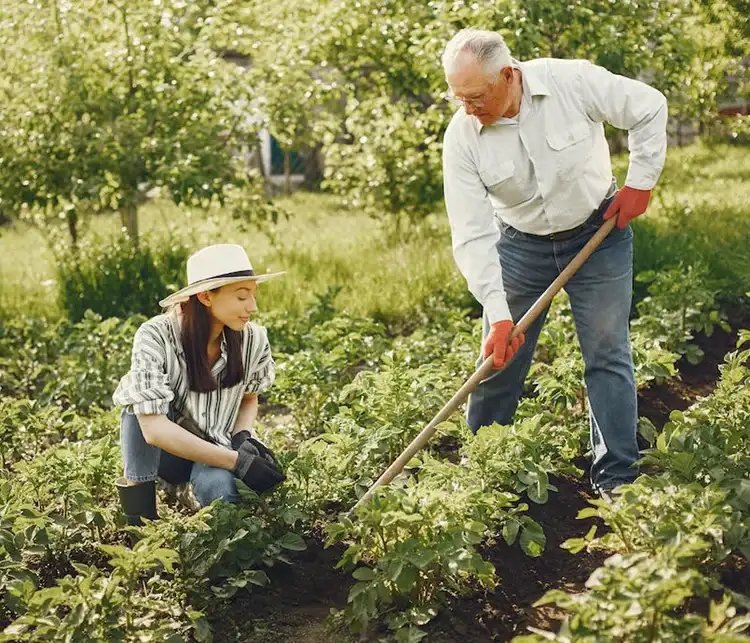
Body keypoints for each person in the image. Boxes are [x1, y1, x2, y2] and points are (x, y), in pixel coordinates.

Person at [440, 29, 668, 497]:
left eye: (476, 96)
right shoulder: (462, 136)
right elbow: (472, 231)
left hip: (598, 233)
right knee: (500, 356)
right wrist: (499, 314)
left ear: (508, 75)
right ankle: (482, 469)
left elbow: (649, 106)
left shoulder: (572, 82)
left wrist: (640, 182)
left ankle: (618, 478)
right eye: (458, 97)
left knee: (607, 353)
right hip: (520, 246)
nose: (467, 108)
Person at [113, 243, 286, 525]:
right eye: (242, 296)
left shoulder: (254, 339)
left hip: (217, 448)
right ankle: (138, 520)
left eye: (253, 295)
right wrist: (237, 462)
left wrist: (242, 437)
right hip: (168, 454)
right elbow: (153, 430)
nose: (252, 307)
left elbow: (249, 397)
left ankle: (189, 494)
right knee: (136, 410)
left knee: (221, 494)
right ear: (205, 296)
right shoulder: (156, 335)